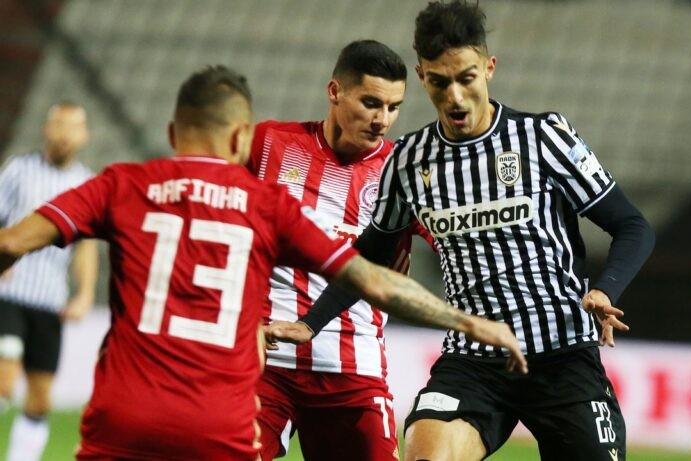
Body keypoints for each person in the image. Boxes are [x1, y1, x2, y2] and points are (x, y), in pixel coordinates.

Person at [0, 64, 526, 460]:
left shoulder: (121, 184)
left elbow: (11, 242)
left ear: (172, 132)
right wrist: (471, 322)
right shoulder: (266, 205)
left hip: (128, 415)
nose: (381, 118)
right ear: (240, 139)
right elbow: (374, 280)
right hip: (221, 416)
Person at [267, 2, 655, 460]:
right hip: (472, 364)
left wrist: (606, 289)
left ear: (489, 68)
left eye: (466, 78)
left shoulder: (543, 137)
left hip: (562, 353)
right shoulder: (408, 160)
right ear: (421, 76)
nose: (454, 96)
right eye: (439, 81)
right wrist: (310, 324)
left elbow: (632, 225)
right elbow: (370, 257)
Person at [249, 40, 434, 461]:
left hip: (353, 369)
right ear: (335, 92)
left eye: (393, 107)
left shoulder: (403, 172)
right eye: (371, 103)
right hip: (266, 361)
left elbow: (454, 244)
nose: (382, 119)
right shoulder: (269, 144)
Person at [0, 102, 97, 461]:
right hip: (9, 293)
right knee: (4, 379)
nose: (64, 134)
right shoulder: (19, 170)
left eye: (72, 126)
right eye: (58, 124)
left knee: (40, 399)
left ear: (84, 135)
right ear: (45, 129)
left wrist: (84, 293)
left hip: (50, 301)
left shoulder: (87, 184)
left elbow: (85, 246)